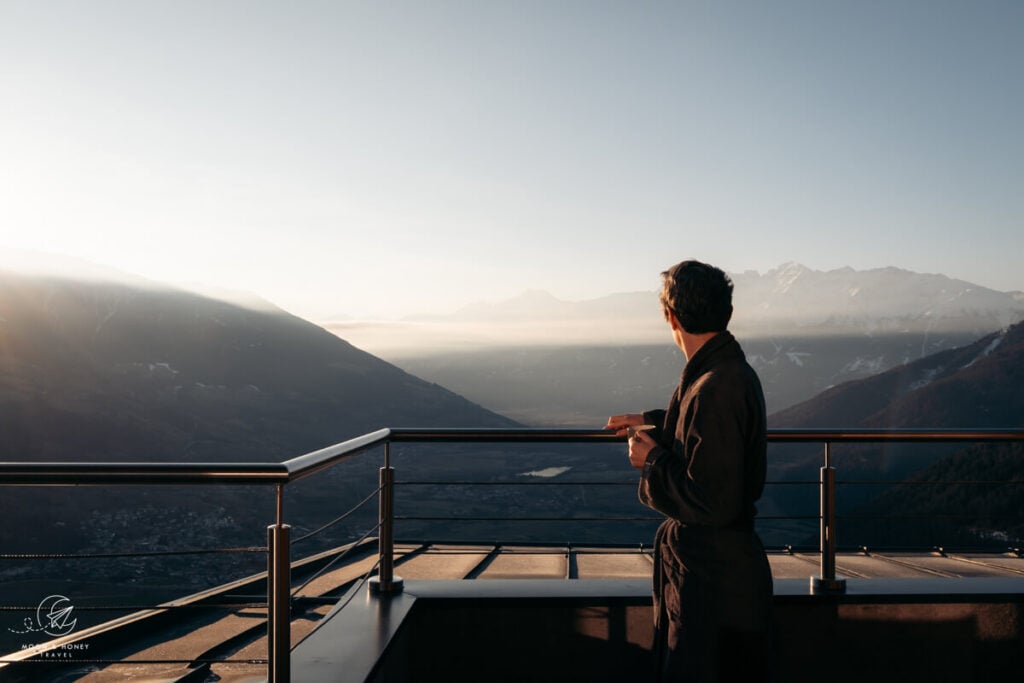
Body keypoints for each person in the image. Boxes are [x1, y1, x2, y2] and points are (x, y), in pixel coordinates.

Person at [604, 259, 774, 682]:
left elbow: (712, 501)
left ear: (671, 316)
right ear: (727, 312)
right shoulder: (723, 374)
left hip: (710, 581)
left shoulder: (716, 385)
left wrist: (653, 461)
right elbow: (704, 434)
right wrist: (646, 419)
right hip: (723, 575)